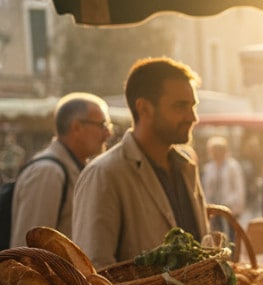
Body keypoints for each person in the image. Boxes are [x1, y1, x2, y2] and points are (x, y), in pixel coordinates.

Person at [73, 57, 207, 268]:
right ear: (144, 108)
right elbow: (93, 271)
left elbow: (202, 251)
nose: (193, 117)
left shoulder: (187, 167)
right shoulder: (105, 174)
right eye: (181, 106)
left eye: (193, 106)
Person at [10, 92, 111, 246]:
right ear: (76, 127)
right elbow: (28, 251)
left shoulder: (76, 168)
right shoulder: (47, 173)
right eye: (102, 125)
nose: (108, 133)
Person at [201, 135, 246, 235]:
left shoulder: (233, 167)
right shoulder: (209, 167)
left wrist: (234, 203)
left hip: (230, 207)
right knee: (217, 233)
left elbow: (239, 188)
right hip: (214, 207)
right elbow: (206, 188)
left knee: (231, 233)